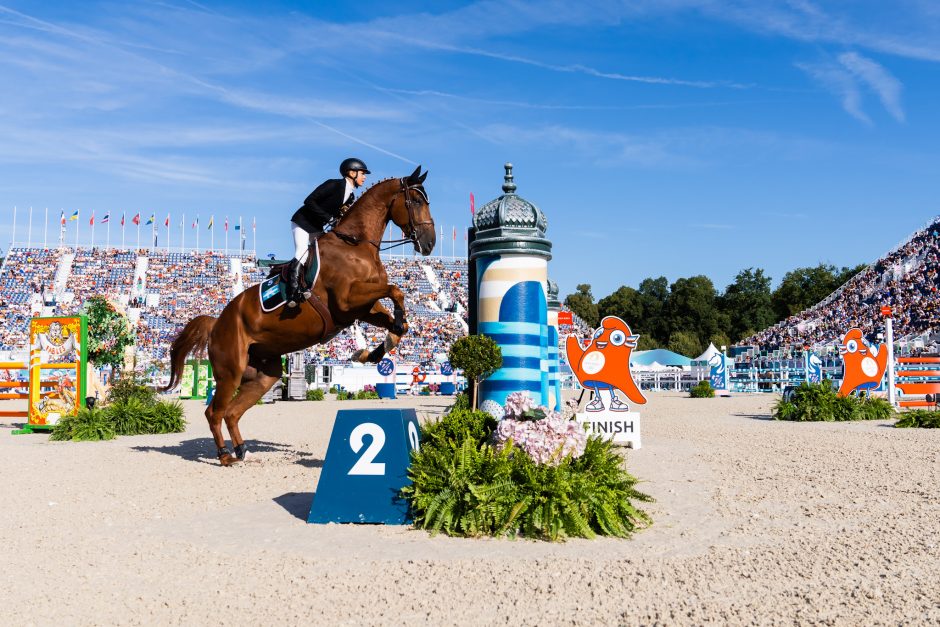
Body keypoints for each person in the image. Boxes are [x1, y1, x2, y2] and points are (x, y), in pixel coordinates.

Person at [287, 157, 370, 306]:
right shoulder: (333, 184)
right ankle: (293, 292)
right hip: (302, 222)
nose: (364, 177)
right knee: (302, 252)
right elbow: (309, 200)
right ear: (352, 173)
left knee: (324, 254)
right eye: (362, 173)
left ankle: (313, 286)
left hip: (317, 227)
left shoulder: (350, 196)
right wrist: (328, 217)